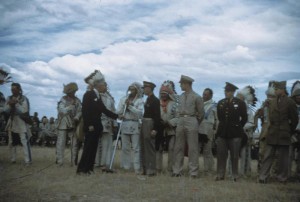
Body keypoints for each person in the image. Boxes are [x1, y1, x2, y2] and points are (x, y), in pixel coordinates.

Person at [77, 70, 119, 175]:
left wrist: (117, 116)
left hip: (97, 127)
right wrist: (89, 125)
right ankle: (82, 169)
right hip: (91, 127)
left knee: (93, 149)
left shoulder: (97, 96)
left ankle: (89, 169)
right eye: (104, 85)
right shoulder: (88, 94)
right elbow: (85, 112)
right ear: (99, 85)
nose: (105, 87)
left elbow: (104, 109)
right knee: (88, 148)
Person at [259, 81, 298, 183]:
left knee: (283, 158)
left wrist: (289, 130)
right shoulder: (272, 102)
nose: (275, 91)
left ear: (283, 89)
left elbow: (294, 120)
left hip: (284, 133)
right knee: (267, 156)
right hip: (272, 132)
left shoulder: (290, 102)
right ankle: (263, 177)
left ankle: (282, 178)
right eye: (275, 89)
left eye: (277, 89)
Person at [172, 75, 204, 178]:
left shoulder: (197, 97)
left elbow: (201, 113)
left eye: (181, 84)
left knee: (193, 148)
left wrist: (195, 122)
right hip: (181, 119)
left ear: (187, 84)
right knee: (178, 147)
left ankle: (193, 172)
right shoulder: (180, 97)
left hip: (192, 119)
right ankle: (177, 170)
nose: (180, 85)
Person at [215, 82, 247, 181]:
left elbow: (244, 118)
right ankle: (220, 174)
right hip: (222, 132)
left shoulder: (240, 103)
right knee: (221, 154)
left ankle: (234, 175)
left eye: (228, 91)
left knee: (234, 155)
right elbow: (220, 117)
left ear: (233, 92)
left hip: (235, 132)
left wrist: (237, 127)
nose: (226, 93)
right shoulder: (220, 103)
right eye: (225, 91)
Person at [117, 82, 144, 174]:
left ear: (137, 91)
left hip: (135, 124)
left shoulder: (140, 101)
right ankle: (126, 166)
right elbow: (118, 111)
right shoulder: (123, 99)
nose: (131, 91)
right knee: (125, 147)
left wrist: (130, 106)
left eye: (133, 89)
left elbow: (140, 113)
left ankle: (137, 167)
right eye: (130, 89)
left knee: (136, 147)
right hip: (125, 124)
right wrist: (123, 108)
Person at [4, 83, 32, 164]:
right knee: (11, 142)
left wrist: (16, 104)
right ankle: (13, 159)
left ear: (19, 89)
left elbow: (25, 110)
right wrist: (10, 105)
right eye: (11, 89)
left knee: (24, 141)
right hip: (12, 121)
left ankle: (27, 161)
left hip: (21, 122)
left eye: (14, 89)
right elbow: (5, 110)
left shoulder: (24, 98)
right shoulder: (9, 98)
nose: (12, 91)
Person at [56, 82, 82, 166]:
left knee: (74, 144)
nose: (73, 93)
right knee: (61, 143)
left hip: (73, 124)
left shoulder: (78, 100)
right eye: (72, 91)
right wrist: (70, 106)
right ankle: (60, 161)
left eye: (74, 91)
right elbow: (61, 111)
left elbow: (80, 111)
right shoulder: (62, 99)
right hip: (63, 123)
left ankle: (73, 162)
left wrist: (77, 117)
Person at [94, 81, 117, 172]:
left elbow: (113, 111)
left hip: (108, 123)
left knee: (106, 144)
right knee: (96, 144)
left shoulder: (110, 98)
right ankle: (96, 162)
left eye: (106, 85)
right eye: (104, 85)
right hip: (97, 122)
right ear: (99, 87)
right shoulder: (95, 96)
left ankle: (105, 163)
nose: (106, 87)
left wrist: (114, 124)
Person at [140, 81, 162, 176]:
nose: (144, 90)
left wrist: (155, 129)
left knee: (150, 148)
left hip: (150, 124)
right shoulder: (148, 99)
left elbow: (157, 116)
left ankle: (151, 169)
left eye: (145, 88)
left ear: (149, 88)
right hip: (144, 122)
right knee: (144, 147)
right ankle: (145, 168)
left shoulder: (155, 100)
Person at [156, 80, 178, 174]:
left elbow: (178, 117)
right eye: (161, 93)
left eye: (165, 93)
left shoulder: (174, 104)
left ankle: (170, 169)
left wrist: (169, 122)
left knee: (171, 149)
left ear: (169, 94)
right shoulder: (157, 104)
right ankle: (158, 168)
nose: (163, 95)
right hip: (160, 130)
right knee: (159, 149)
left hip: (171, 130)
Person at [254, 81, 276, 172]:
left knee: (273, 153)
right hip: (264, 132)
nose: (269, 98)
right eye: (268, 96)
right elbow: (257, 116)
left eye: (271, 97)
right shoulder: (264, 106)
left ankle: (271, 171)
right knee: (262, 152)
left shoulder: (277, 105)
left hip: (274, 132)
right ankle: (261, 171)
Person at [236, 86, 257, 177]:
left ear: (243, 98)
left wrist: (241, 127)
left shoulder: (248, 110)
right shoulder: (234, 107)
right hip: (234, 134)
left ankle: (244, 173)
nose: (237, 97)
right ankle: (231, 172)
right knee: (233, 153)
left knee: (245, 154)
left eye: (239, 96)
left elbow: (251, 123)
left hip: (245, 134)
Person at [198, 88, 217, 174]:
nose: (203, 96)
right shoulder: (199, 104)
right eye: (203, 94)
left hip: (208, 130)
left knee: (207, 150)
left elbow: (217, 120)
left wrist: (215, 131)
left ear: (211, 96)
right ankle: (194, 168)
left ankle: (208, 169)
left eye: (206, 94)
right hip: (198, 128)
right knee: (196, 149)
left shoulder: (214, 106)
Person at [288, 80, 300, 180]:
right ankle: (287, 174)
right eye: (297, 96)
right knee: (289, 155)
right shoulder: (290, 106)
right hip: (292, 133)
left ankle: (298, 174)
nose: (299, 97)